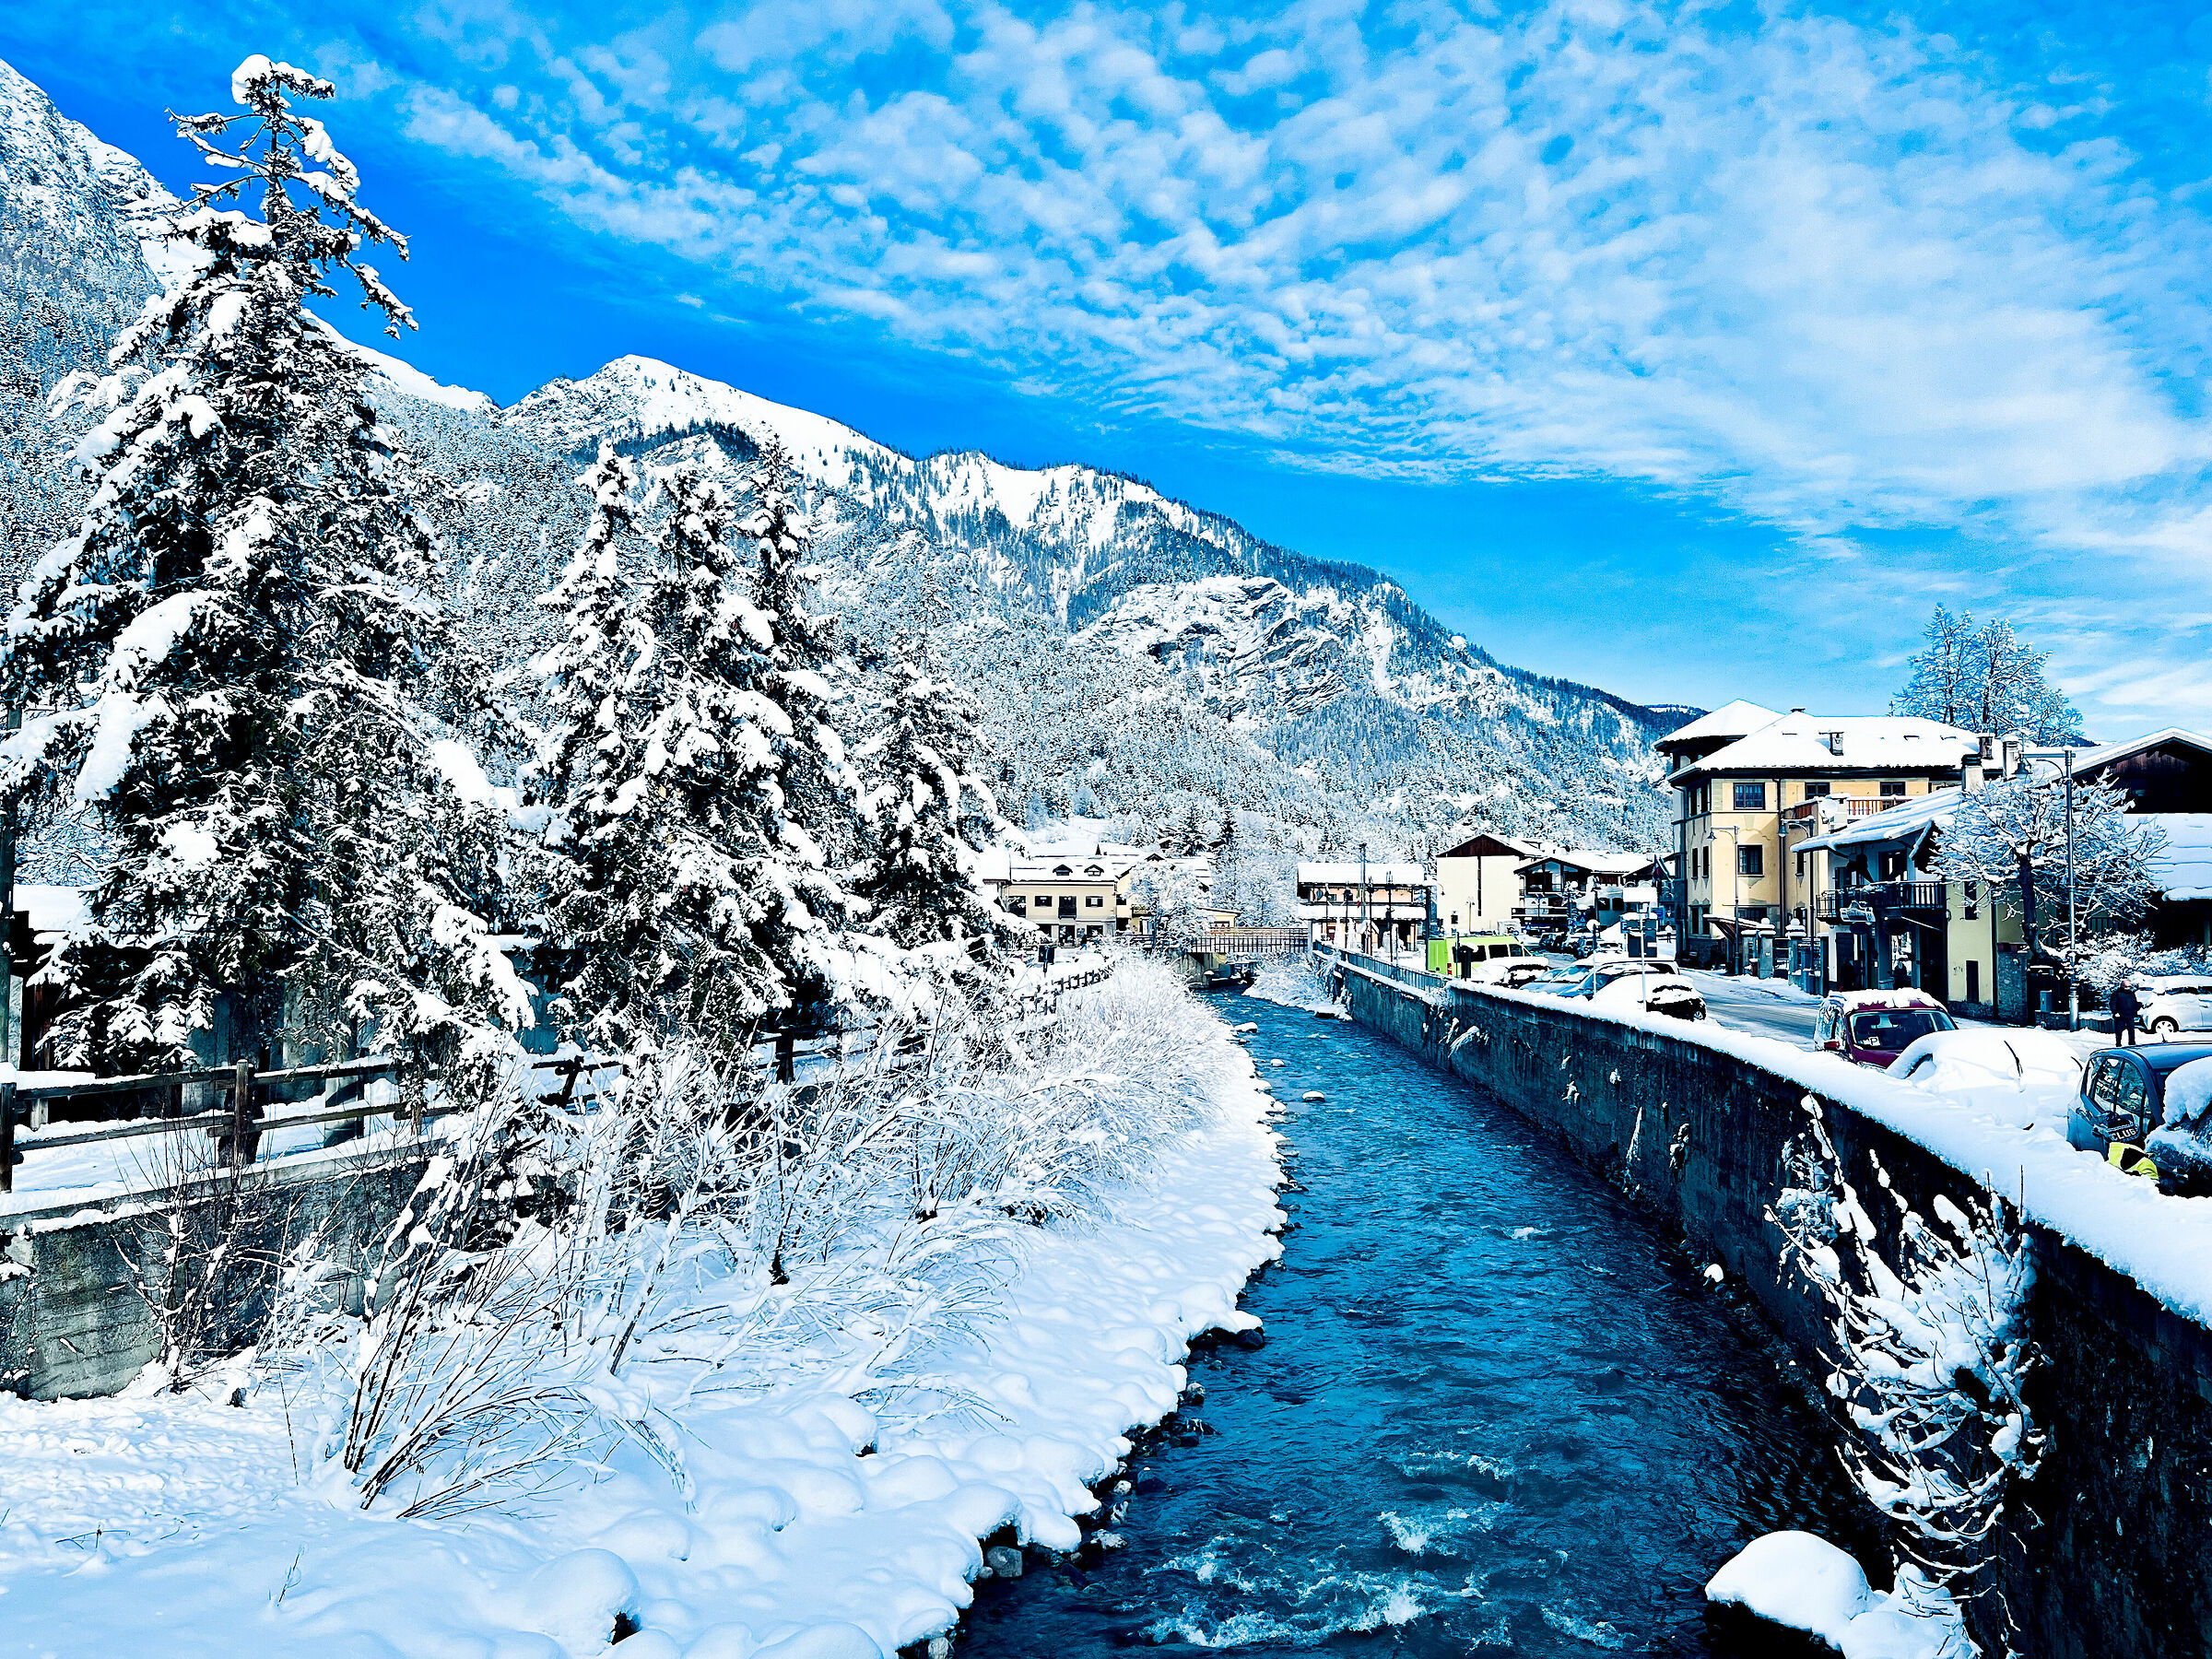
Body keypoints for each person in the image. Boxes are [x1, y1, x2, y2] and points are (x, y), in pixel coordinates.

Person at [2111, 981, 2141, 1047]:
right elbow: (2113, 1003)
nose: (2127, 988)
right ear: (2122, 986)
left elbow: (2134, 1003)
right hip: (2120, 1015)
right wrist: (2115, 1012)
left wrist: (2137, 1007)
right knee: (2119, 1031)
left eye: (2129, 987)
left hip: (2130, 1015)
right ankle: (2118, 1044)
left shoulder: (2131, 994)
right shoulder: (2117, 994)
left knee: (2131, 1030)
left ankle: (2132, 1043)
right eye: (2126, 987)